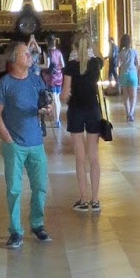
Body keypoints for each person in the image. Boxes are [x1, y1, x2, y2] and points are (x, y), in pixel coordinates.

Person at [0, 41, 52, 249]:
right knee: (15, 190)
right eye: (26, 54)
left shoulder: (37, 81)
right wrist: (7, 138)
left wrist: (47, 110)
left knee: (40, 186)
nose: (30, 56)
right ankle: (16, 231)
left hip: (36, 142)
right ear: (15, 58)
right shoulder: (5, 84)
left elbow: (46, 105)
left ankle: (37, 223)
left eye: (30, 54)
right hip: (14, 144)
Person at [66, 34, 105, 211]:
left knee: (80, 158)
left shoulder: (71, 66)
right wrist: (93, 44)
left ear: (74, 46)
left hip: (76, 110)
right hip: (93, 110)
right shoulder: (96, 64)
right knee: (94, 157)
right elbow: (100, 55)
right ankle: (95, 200)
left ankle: (83, 199)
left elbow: (64, 93)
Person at [42, 34, 65, 126]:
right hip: (59, 75)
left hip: (51, 77)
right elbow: (63, 65)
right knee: (57, 99)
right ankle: (57, 119)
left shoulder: (47, 53)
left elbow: (46, 65)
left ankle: (56, 120)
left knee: (54, 98)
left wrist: (38, 66)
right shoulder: (59, 52)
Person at [116, 32, 139, 122]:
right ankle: (131, 114)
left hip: (123, 74)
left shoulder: (120, 52)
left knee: (125, 96)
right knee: (133, 96)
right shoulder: (134, 51)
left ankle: (127, 113)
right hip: (133, 74)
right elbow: (137, 63)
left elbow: (118, 64)